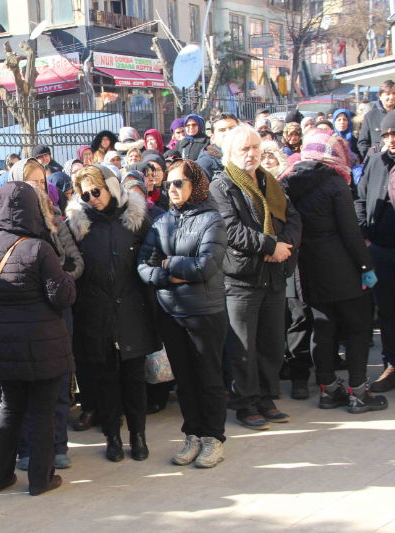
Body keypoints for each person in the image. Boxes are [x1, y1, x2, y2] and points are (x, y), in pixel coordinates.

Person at [0, 181, 76, 496]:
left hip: (5, 343)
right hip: (44, 344)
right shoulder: (39, 248)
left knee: (9, 408)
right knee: (44, 412)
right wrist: (67, 276)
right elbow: (62, 297)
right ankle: (40, 480)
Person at [279, 132, 387, 413]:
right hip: (342, 269)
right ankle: (359, 392)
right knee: (358, 328)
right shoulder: (335, 182)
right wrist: (366, 267)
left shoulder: (287, 181)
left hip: (307, 269)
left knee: (322, 328)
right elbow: (351, 232)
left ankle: (328, 390)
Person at [210, 125, 302, 431]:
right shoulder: (221, 186)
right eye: (244, 149)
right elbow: (230, 229)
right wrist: (270, 246)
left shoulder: (270, 182)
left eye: (255, 148)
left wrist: (283, 246)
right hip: (241, 280)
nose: (251, 154)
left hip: (274, 275)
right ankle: (245, 404)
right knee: (242, 349)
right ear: (230, 153)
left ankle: (266, 399)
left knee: (271, 344)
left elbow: (294, 218)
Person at [66, 165, 161, 463]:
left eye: (96, 191)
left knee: (134, 379)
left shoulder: (136, 218)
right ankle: (113, 437)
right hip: (96, 313)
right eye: (85, 195)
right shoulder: (77, 225)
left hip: (132, 309)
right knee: (105, 380)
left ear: (111, 187)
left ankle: (138, 436)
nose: (92, 198)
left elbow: (152, 255)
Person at [138, 160, 229, 468]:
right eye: (169, 184)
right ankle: (193, 434)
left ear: (196, 185)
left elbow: (205, 267)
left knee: (208, 377)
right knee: (185, 380)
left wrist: (167, 263)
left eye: (179, 183)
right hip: (170, 312)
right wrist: (168, 274)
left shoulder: (212, 219)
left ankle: (213, 437)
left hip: (204, 312)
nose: (172, 189)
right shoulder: (162, 221)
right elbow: (143, 264)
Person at [5, 159, 84, 470]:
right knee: (27, 384)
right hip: (25, 314)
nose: (38, 187)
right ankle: (27, 449)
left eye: (41, 181)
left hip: (59, 309)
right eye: (31, 182)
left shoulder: (55, 218)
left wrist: (58, 280)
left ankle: (58, 445)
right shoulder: (6, 223)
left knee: (60, 380)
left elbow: (76, 261)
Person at [356, 110, 395, 393]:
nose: (391, 139)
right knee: (388, 313)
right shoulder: (375, 161)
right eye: (387, 134)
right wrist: (366, 237)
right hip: (381, 250)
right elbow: (360, 199)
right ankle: (390, 365)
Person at [358, 80, 395, 160]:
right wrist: (371, 159)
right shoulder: (370, 116)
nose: (391, 97)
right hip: (378, 161)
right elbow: (363, 143)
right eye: (388, 94)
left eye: (394, 93)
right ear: (380, 96)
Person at [197, 112, 239, 180]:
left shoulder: (249, 156)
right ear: (213, 138)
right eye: (222, 130)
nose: (228, 133)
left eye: (232, 128)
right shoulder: (203, 166)